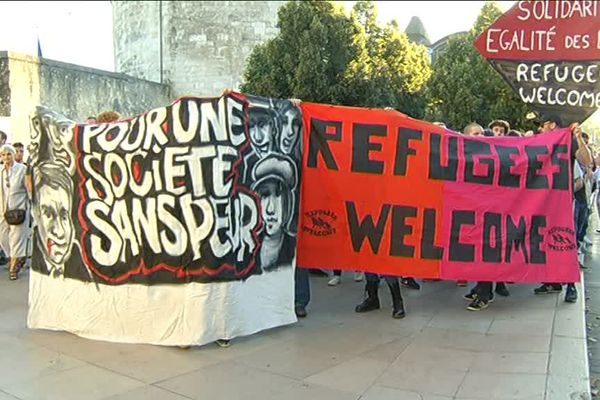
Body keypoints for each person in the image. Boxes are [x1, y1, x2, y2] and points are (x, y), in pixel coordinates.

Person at [533, 113, 591, 303]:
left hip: (563, 201)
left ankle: (571, 286)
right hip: (544, 200)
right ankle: (553, 281)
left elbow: (586, 161)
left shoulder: (568, 141)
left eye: (542, 125)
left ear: (552, 125)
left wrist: (578, 139)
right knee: (546, 242)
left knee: (565, 242)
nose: (540, 128)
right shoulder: (541, 142)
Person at [251, 154, 298, 271]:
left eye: (278, 195)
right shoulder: (247, 247)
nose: (270, 209)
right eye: (265, 195)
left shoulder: (295, 248)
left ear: (288, 201)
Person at [0, 145, 29, 280]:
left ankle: (13, 267)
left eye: (9, 154)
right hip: (3, 210)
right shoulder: (0, 171)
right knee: (3, 237)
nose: (6, 157)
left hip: (19, 209)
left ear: (13, 155)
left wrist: (30, 206)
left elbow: (29, 188)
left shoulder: (22, 169)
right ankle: (17, 257)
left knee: (16, 238)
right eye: (3, 155)